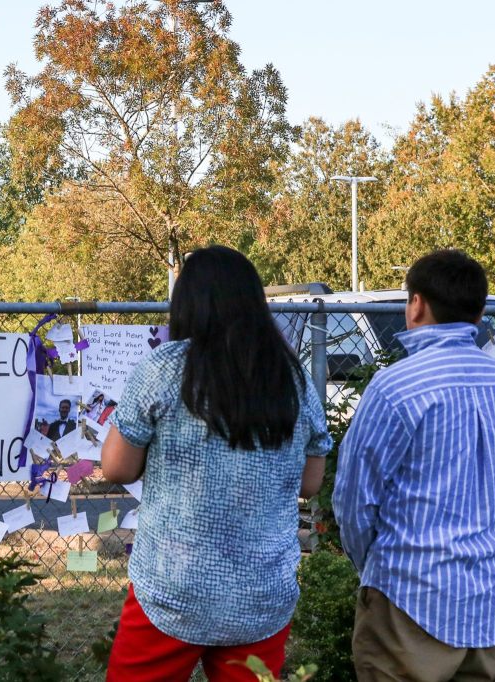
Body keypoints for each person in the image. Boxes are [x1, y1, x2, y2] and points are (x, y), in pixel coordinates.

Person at [102, 246, 331, 681]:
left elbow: (116, 468)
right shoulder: (291, 377)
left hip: (172, 586)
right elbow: (310, 483)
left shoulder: (163, 368)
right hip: (260, 593)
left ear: (186, 304)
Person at [333, 249, 495, 682]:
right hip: (491, 603)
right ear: (479, 313)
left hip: (408, 598)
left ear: (416, 303)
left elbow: (352, 501)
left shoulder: (395, 387)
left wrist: (375, 569)